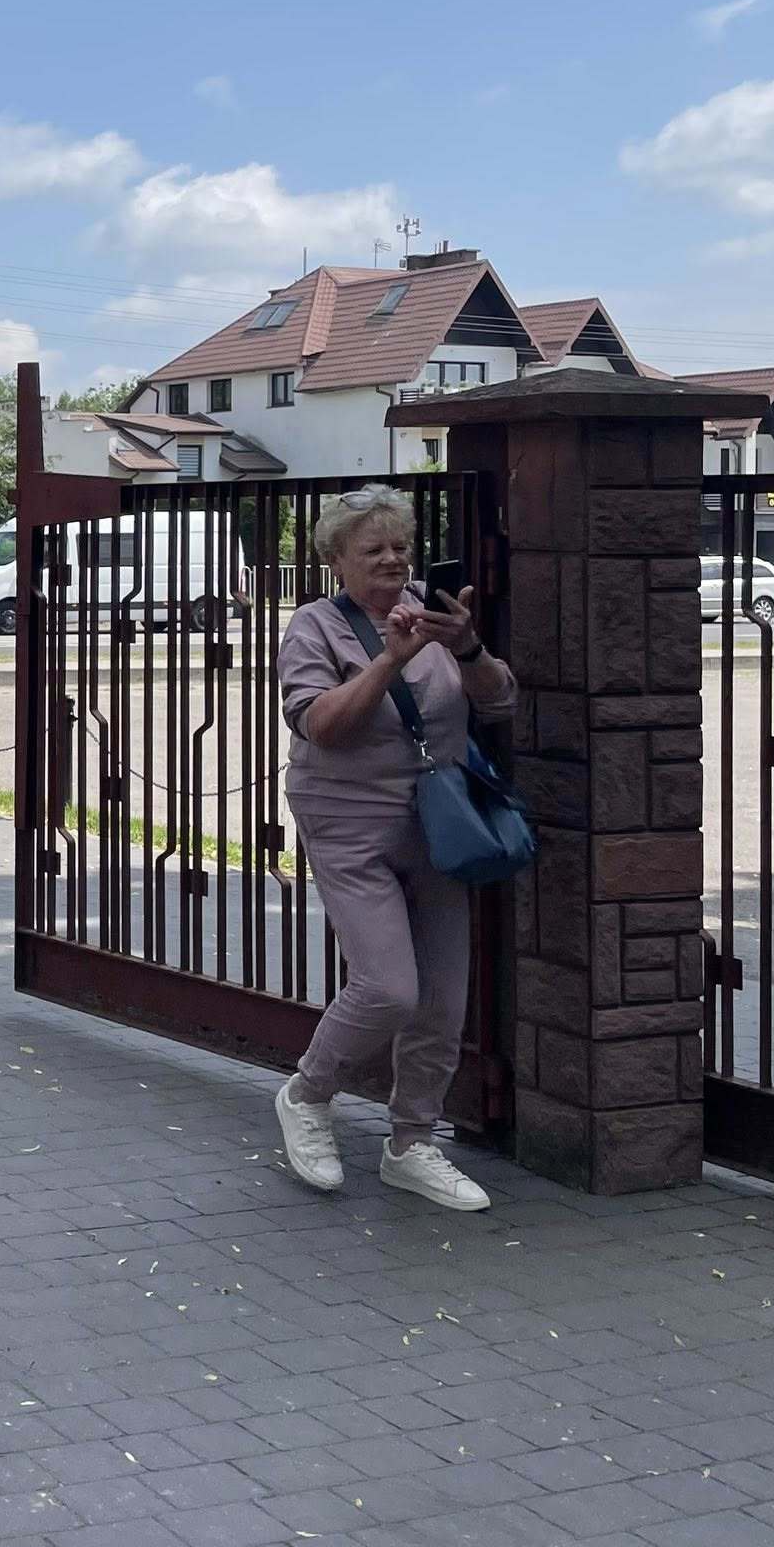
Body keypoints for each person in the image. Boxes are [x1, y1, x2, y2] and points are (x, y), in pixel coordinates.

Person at [270, 485, 516, 1213]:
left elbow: (501, 700)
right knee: (388, 988)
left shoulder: (433, 613)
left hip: (438, 823)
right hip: (347, 820)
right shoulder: (315, 627)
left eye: (400, 546)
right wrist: (388, 659)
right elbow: (321, 726)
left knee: (441, 998)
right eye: (372, 548)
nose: (391, 559)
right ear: (336, 560)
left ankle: (411, 1143)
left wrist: (465, 645)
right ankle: (307, 1093)